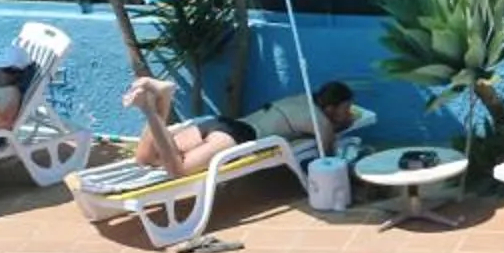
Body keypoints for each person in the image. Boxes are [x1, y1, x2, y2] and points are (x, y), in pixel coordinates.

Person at [126, 77, 363, 173]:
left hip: (219, 122)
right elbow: (329, 156)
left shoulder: (302, 99)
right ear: (330, 109)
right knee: (179, 169)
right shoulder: (320, 121)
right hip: (239, 135)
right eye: (345, 109)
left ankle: (164, 96)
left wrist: (340, 122)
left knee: (146, 158)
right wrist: (339, 128)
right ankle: (149, 108)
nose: (348, 114)